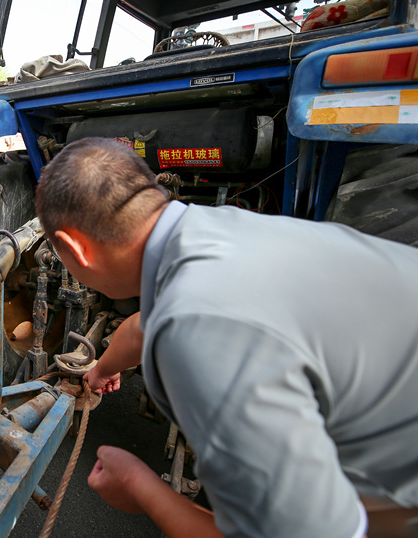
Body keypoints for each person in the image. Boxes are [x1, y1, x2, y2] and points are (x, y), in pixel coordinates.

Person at [34, 137, 418, 537]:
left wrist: (141, 488)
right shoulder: (213, 229)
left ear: (74, 249)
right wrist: (101, 370)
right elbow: (142, 327)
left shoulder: (194, 331)